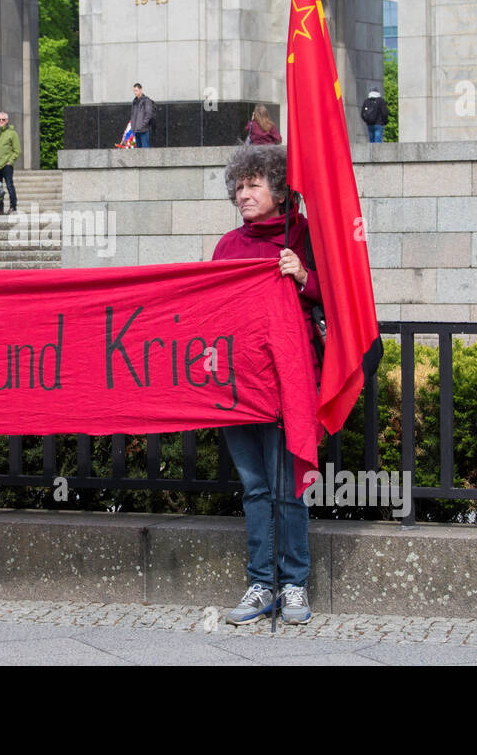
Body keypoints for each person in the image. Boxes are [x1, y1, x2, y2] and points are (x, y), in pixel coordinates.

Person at [213, 144, 320, 626]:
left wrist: (303, 276)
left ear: (278, 190)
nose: (244, 194)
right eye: (239, 187)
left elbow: (341, 294)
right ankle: (261, 584)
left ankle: (294, 584)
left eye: (253, 184)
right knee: (255, 488)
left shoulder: (303, 235)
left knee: (287, 488)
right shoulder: (228, 246)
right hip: (238, 385)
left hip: (287, 383)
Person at [0, 112, 21, 215]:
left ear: (7, 121)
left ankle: (13, 207)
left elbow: (17, 150)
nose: (1, 121)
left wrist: (10, 161)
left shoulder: (12, 133)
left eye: (3, 119)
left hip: (6, 165)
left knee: (9, 185)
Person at [130, 83, 156, 148]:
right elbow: (133, 115)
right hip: (136, 130)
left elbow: (149, 114)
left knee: (145, 149)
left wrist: (142, 124)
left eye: (136, 90)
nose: (135, 92)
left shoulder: (146, 101)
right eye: (134, 91)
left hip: (144, 130)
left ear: (141, 90)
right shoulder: (135, 101)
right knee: (138, 150)